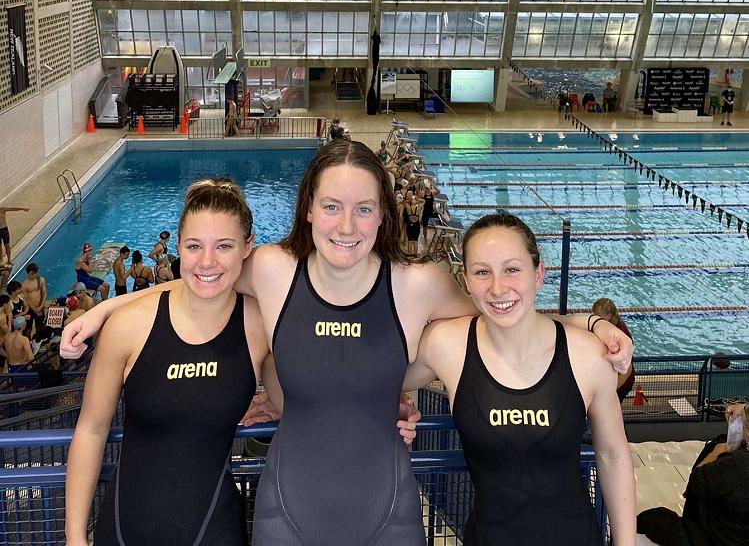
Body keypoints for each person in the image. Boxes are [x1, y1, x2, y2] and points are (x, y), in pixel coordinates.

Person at [61, 142, 633, 546]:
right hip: (286, 517)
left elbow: (502, 307)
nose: (346, 226)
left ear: (383, 215)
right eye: (332, 207)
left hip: (391, 517)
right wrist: (108, 309)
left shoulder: (417, 284)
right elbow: (202, 275)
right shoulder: (274, 271)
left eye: (363, 209)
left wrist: (587, 321)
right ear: (308, 209)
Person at [403, 213, 636, 546]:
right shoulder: (446, 345)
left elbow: (613, 454)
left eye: (512, 269)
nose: (498, 287)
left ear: (538, 274)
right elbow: (378, 382)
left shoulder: (587, 355)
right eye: (482, 272)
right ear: (465, 280)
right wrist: (398, 405)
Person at [64, 178, 270, 546]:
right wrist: (74, 536)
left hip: (215, 531)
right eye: (194, 246)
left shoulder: (261, 325)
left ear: (248, 246)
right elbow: (91, 430)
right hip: (124, 531)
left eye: (224, 246)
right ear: (178, 246)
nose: (207, 261)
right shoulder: (128, 327)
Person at [637, 402, 749, 545]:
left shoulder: (732, 466)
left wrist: (715, 453)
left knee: (655, 519)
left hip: (715, 537)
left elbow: (695, 485)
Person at [591, 297, 636, 402]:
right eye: (594, 316)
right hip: (614, 379)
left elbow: (627, 369)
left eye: (599, 317)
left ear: (609, 316)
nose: (595, 320)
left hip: (622, 383)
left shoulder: (619, 335)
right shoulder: (609, 326)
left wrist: (611, 391)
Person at [21, 262, 48, 335]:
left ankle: (39, 338)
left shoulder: (41, 280)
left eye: (35, 273)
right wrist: (34, 309)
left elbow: (44, 293)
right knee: (28, 328)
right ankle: (28, 340)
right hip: (30, 309)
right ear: (28, 273)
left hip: (40, 306)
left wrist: (41, 306)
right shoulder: (24, 284)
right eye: (32, 274)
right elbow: (26, 299)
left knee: (40, 326)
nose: (34, 275)